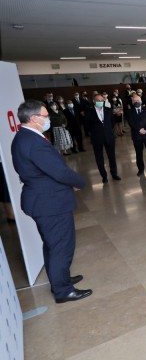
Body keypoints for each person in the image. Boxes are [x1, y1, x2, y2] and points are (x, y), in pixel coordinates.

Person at [11, 99, 91, 303]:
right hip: (50, 202)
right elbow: (59, 171)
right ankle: (63, 290)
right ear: (34, 118)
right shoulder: (33, 142)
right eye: (45, 117)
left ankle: (59, 279)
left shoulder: (23, 137)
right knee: (61, 246)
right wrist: (79, 181)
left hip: (42, 198)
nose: (48, 120)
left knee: (52, 244)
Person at [85, 94, 121, 183]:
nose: (100, 102)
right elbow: (87, 126)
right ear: (94, 101)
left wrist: (107, 130)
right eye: (98, 100)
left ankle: (114, 173)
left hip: (109, 137)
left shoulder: (108, 110)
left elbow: (112, 123)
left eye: (102, 100)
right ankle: (104, 176)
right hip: (97, 138)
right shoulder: (89, 112)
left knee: (112, 156)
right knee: (99, 158)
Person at [127, 94, 146, 176]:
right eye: (135, 101)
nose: (136, 102)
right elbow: (131, 123)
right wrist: (139, 129)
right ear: (132, 102)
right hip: (137, 136)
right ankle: (141, 169)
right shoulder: (129, 112)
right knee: (138, 153)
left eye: (138, 100)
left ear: (141, 101)